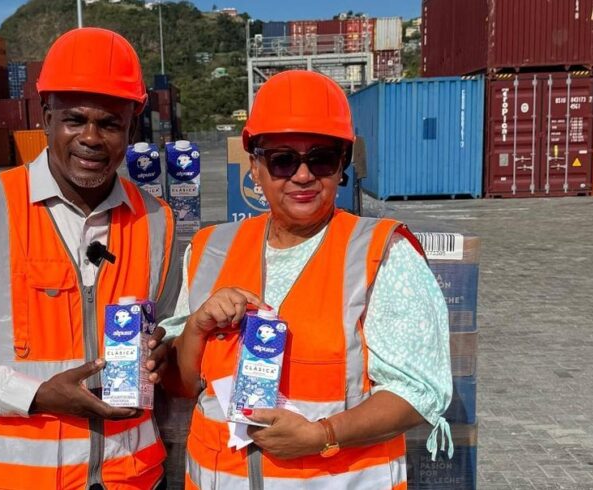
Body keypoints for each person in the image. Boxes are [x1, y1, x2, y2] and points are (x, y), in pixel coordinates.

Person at [0, 28, 179, 490]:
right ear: (47, 118)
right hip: (21, 479)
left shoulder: (156, 218)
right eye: (74, 120)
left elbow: (168, 330)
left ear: (131, 129)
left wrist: (163, 354)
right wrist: (33, 395)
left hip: (133, 477)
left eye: (110, 124)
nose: (91, 138)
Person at [163, 70, 453, 489]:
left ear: (342, 166)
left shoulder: (381, 255)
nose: (303, 175)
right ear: (255, 167)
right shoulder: (210, 250)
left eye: (321, 158)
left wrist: (322, 436)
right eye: (283, 159)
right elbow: (181, 384)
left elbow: (420, 392)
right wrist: (196, 326)